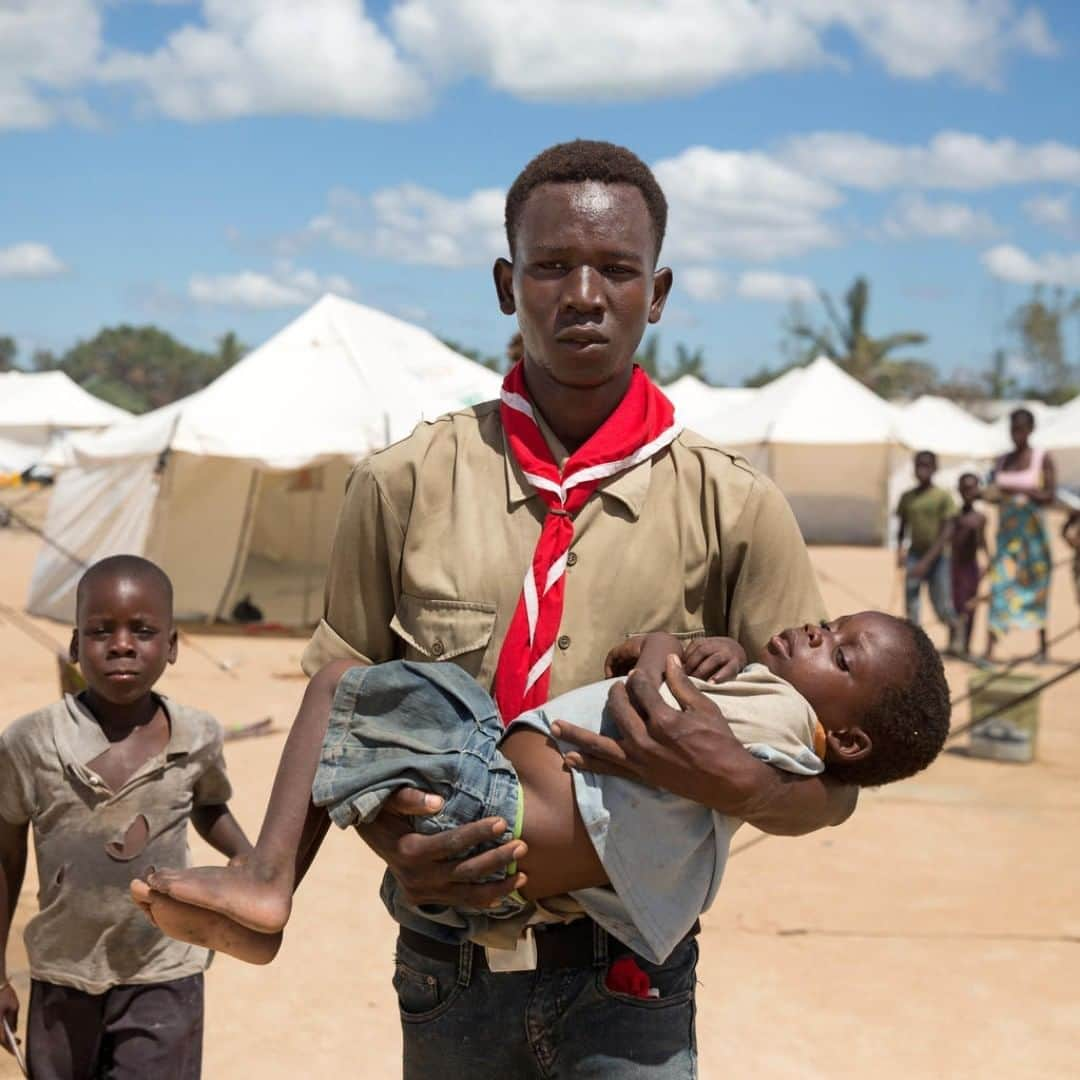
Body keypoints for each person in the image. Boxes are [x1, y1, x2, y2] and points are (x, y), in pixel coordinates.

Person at [284, 139, 855, 1078]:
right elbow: (338, 711)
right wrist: (398, 841)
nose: (583, 293)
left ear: (657, 292)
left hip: (632, 975)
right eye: (551, 266)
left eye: (617, 269)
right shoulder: (401, 485)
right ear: (508, 284)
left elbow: (832, 785)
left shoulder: (737, 507)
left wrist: (742, 784)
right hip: (446, 967)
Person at [133, 610, 949, 980]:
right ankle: (263, 903)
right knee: (367, 716)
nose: (815, 632)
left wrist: (666, 647)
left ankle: (267, 878)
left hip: (495, 802)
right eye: (832, 623)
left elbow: (659, 717)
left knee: (341, 685)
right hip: (498, 889)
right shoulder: (772, 698)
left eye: (840, 651)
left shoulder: (778, 707)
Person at [0, 555, 252, 1079]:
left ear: (173, 645)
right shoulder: (30, 743)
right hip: (62, 975)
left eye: (142, 630)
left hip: (164, 973)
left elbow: (208, 806)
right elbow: (5, 857)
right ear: (74, 645)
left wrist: (248, 859)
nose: (121, 644)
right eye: (100, 630)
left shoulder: (196, 737)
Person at [983, 409, 1056, 663]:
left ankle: (1043, 648)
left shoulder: (1041, 457)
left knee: (1037, 587)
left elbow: (1050, 496)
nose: (1017, 434)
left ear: (1030, 429)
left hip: (1033, 539)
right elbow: (991, 492)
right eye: (1013, 429)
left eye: (1022, 429)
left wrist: (1017, 489)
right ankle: (989, 650)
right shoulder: (1002, 460)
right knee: (1000, 587)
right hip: (1006, 539)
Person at [896, 450, 964, 653]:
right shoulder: (907, 497)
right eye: (919, 465)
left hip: (938, 558)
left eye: (927, 466)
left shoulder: (943, 497)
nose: (922, 470)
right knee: (912, 603)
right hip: (914, 554)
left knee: (941, 604)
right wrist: (900, 551)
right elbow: (902, 527)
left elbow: (947, 533)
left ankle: (956, 630)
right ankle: (916, 646)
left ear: (935, 469)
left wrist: (926, 562)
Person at [951, 473, 991, 653]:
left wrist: (988, 562)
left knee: (971, 607)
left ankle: (966, 646)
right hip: (954, 567)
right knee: (954, 605)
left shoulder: (980, 518)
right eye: (965, 488)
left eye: (972, 488)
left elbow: (983, 542)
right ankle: (954, 643)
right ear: (959, 490)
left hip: (971, 567)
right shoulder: (954, 516)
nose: (969, 492)